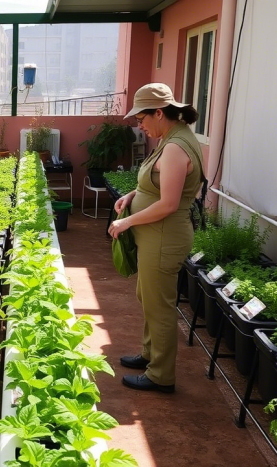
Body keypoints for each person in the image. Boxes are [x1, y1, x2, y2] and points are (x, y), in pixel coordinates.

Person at [108, 83, 205, 394]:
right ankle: (150, 355)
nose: (140, 125)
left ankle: (160, 375)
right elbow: (158, 186)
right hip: (155, 237)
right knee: (148, 298)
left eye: (142, 119)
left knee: (160, 306)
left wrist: (127, 222)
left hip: (164, 238)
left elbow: (169, 204)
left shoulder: (176, 148)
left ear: (159, 113)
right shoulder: (171, 139)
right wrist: (131, 195)